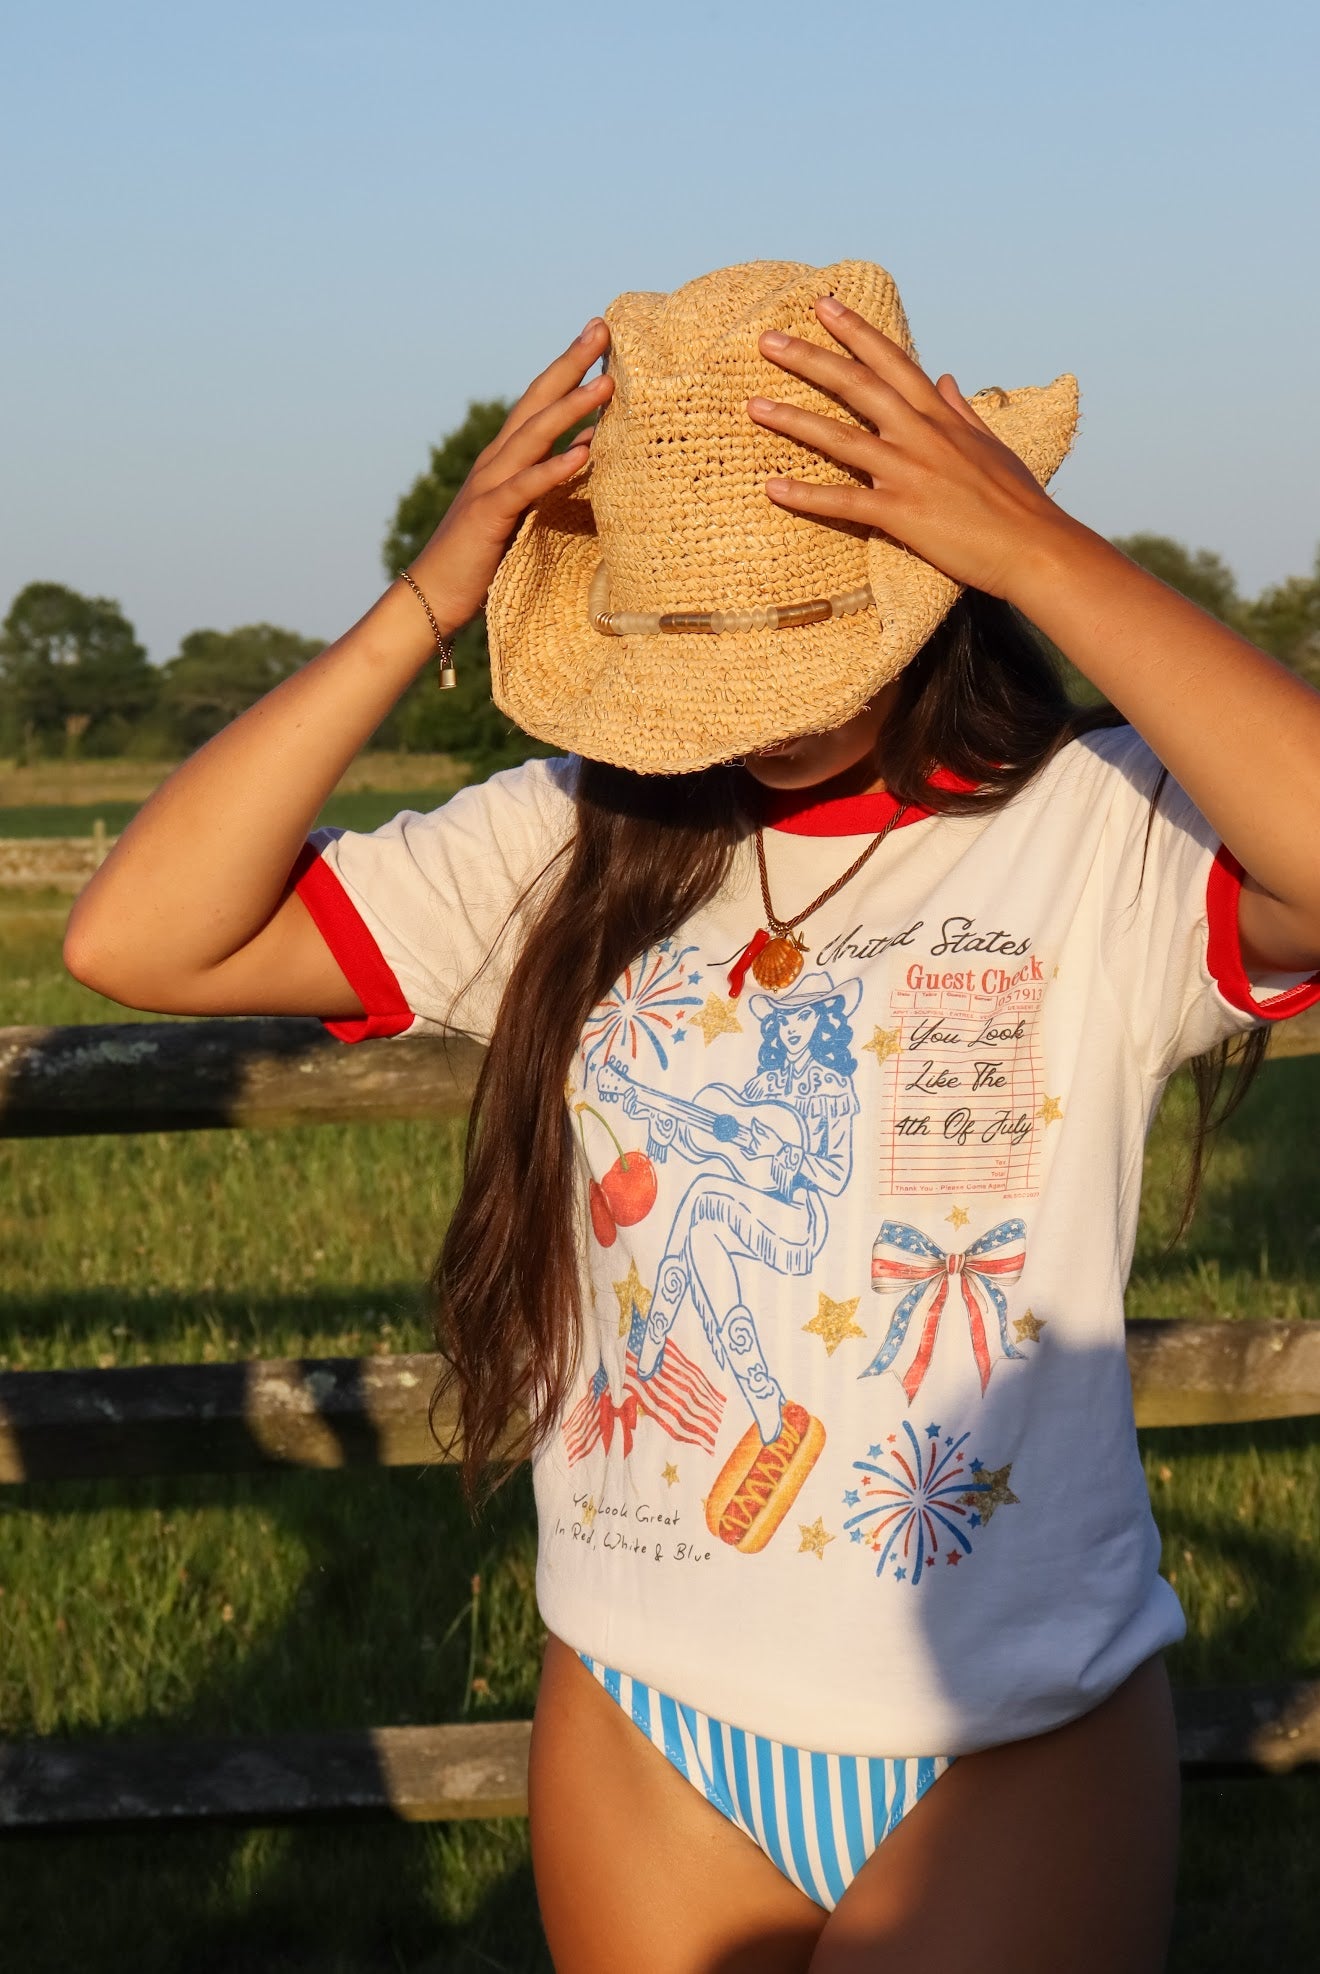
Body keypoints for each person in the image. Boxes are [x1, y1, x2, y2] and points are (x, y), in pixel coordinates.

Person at [63, 259, 1320, 1972]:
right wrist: (428, 598)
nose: (765, 709)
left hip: (1015, 1722)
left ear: (934, 558)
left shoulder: (1107, 829)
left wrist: (1037, 547)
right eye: (698, 637)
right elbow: (138, 935)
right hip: (642, 1698)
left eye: (804, 627)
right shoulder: (572, 836)